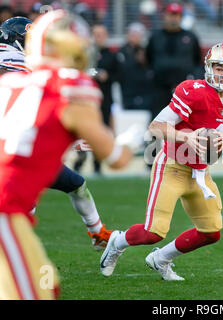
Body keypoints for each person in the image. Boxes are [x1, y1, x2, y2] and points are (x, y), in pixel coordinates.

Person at [100, 42, 223, 281]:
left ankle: (161, 259)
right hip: (173, 167)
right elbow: (155, 127)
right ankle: (116, 241)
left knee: (211, 233)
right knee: (152, 233)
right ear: (209, 67)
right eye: (219, 68)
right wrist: (186, 135)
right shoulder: (193, 91)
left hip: (200, 172)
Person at [0, 9, 134, 299]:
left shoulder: (10, 82)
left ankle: (98, 233)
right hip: (5, 209)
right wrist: (130, 141)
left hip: (12, 201)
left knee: (45, 286)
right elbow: (116, 158)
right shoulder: (69, 88)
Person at [0, 16, 113, 251]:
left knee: (75, 184)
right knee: (21, 206)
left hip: (25, 150)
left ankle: (98, 233)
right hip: (13, 154)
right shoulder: (14, 60)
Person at [74, 23, 119, 175]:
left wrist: (107, 76)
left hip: (104, 99)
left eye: (101, 35)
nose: (98, 38)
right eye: (96, 34)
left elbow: (120, 75)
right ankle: (78, 162)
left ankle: (97, 165)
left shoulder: (112, 55)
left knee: (100, 132)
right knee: (82, 131)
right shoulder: (85, 53)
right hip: (85, 100)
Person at [146, 1, 202, 120]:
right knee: (158, 117)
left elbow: (197, 59)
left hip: (184, 87)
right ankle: (155, 139)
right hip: (160, 86)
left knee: (184, 118)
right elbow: (149, 58)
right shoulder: (155, 36)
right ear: (164, 16)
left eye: (176, 15)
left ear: (181, 17)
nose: (173, 18)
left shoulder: (190, 37)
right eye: (171, 14)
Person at [117, 22, 154, 111]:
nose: (135, 37)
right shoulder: (122, 51)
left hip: (144, 93)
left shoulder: (145, 51)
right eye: (133, 34)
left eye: (137, 34)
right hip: (128, 91)